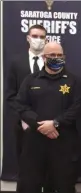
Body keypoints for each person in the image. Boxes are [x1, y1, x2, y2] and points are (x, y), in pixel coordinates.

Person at [12, 42, 81, 193]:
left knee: (64, 185)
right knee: (29, 185)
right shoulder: (31, 80)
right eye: (52, 55)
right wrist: (41, 125)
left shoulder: (74, 81)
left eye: (60, 55)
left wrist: (56, 123)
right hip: (34, 143)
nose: (56, 58)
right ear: (44, 57)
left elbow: (77, 107)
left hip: (63, 142)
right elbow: (21, 105)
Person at [5, 24, 56, 193]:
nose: (38, 40)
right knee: (27, 173)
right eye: (35, 36)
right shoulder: (16, 62)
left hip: (48, 127)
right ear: (28, 38)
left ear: (46, 39)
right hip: (24, 128)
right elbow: (10, 96)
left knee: (49, 171)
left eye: (42, 37)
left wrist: (49, 123)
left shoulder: (52, 62)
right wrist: (25, 119)